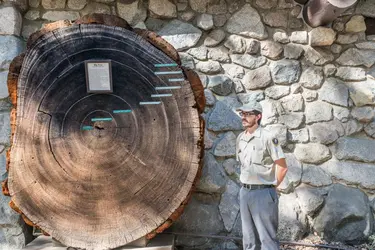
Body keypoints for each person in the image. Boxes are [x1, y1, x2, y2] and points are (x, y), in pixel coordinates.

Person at [235, 101, 288, 250]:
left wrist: (270, 188)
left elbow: (282, 167)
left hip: (263, 193)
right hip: (245, 192)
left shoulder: (268, 137)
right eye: (242, 114)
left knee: (267, 240)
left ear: (258, 116)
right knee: (249, 240)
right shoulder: (240, 138)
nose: (243, 117)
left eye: (248, 114)